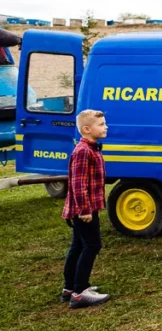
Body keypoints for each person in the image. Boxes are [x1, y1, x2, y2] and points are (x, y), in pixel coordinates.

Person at [62, 110, 112, 309]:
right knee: (92, 246)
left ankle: (69, 288)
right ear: (86, 129)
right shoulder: (83, 151)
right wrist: (85, 210)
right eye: (101, 124)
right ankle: (80, 292)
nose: (105, 127)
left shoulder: (91, 148)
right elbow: (78, 183)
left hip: (86, 208)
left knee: (78, 246)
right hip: (84, 210)